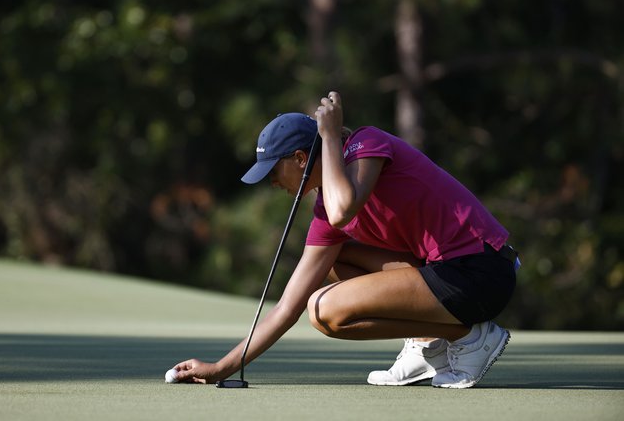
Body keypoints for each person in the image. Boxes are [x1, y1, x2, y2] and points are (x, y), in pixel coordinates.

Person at [171, 91, 519, 388]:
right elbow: (286, 306)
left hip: (480, 271)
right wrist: (221, 368)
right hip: (445, 275)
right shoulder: (326, 204)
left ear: (300, 159)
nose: (273, 184)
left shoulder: (368, 144)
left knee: (324, 308)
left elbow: (343, 211)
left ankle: (468, 338)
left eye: (274, 172)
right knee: (336, 262)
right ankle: (429, 343)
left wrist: (331, 136)